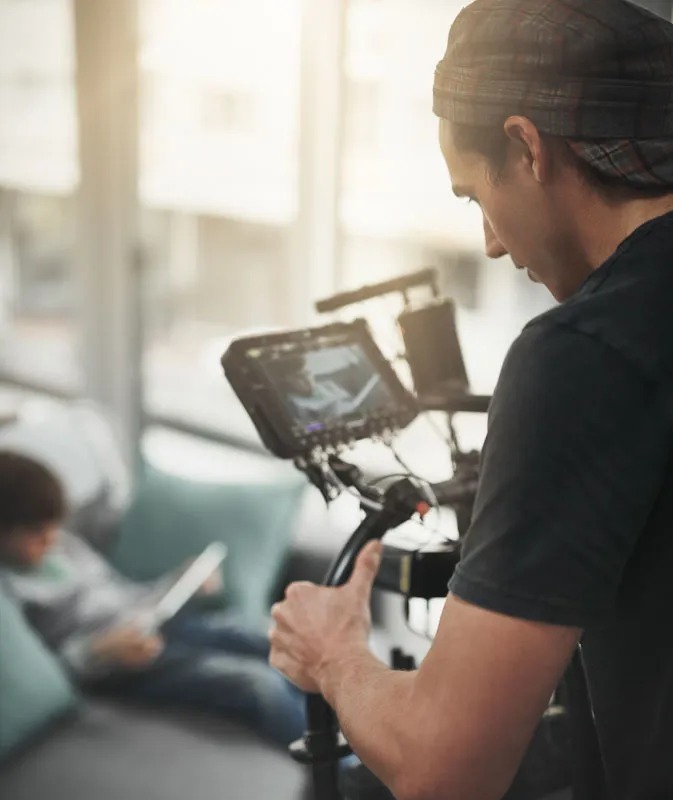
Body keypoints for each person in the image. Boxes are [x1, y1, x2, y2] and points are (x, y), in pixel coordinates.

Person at [268, 1, 673, 798]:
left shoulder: (582, 352)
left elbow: (443, 769)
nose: (490, 240)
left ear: (526, 147)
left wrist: (333, 651)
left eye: (472, 197)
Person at [0, 451, 305, 748]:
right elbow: (42, 676)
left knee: (268, 639)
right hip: (125, 661)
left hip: (156, 619)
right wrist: (97, 652)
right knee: (259, 685)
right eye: (37, 533)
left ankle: (342, 723)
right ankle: (337, 774)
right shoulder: (11, 593)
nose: (51, 538)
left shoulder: (65, 547)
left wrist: (175, 584)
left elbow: (120, 591)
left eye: (54, 526)